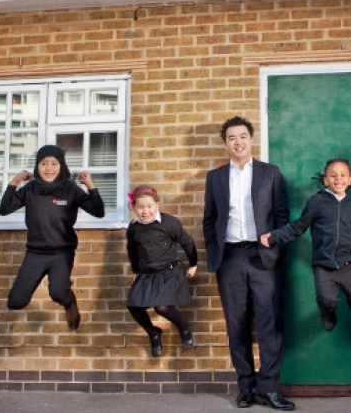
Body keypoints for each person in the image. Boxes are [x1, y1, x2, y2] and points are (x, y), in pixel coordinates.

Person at [203, 116, 295, 411]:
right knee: (237, 324)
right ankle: (246, 386)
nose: (238, 142)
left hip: (263, 256)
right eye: (232, 138)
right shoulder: (215, 177)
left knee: (268, 322)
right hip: (229, 257)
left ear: (251, 139)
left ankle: (268, 388)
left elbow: (282, 216)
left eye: (243, 136)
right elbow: (209, 220)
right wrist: (215, 248)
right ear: (225, 143)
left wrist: (275, 247)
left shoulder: (271, 173)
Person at [260, 158, 351, 333]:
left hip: (346, 264)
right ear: (325, 180)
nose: (338, 179)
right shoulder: (316, 202)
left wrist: (350, 257)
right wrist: (274, 236)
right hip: (323, 264)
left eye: (343, 175)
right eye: (333, 175)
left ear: (350, 180)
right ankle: (328, 312)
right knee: (327, 299)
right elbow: (298, 227)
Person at [0, 144, 104, 330]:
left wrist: (90, 186)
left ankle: (70, 303)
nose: (48, 168)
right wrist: (15, 181)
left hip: (61, 253)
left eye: (54, 163)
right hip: (35, 254)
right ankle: (61, 288)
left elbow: (98, 212)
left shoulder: (70, 189)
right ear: (37, 167)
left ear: (61, 166)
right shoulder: (30, 189)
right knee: (16, 301)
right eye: (43, 163)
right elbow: (4, 210)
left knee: (58, 292)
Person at [125, 185, 198, 357]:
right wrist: (136, 271)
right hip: (147, 273)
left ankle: (184, 327)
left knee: (162, 308)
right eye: (140, 207)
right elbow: (132, 251)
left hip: (169, 272)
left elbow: (187, 242)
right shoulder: (134, 228)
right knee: (133, 305)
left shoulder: (169, 223)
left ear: (157, 204)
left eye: (149, 206)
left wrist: (193, 264)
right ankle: (153, 333)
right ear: (134, 208)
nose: (145, 211)